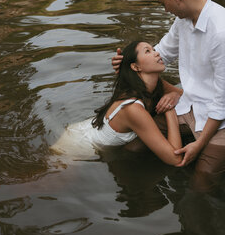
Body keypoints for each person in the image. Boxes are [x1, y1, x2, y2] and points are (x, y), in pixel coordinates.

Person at [112, 0, 225, 191]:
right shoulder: (184, 21)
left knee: (202, 179)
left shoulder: (223, 34)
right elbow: (163, 54)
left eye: (163, 3)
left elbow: (222, 103)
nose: (166, 10)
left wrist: (199, 145)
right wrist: (130, 66)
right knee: (134, 145)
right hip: (189, 104)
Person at [51, 40, 182, 165]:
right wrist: (170, 110)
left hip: (85, 131)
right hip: (77, 145)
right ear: (135, 67)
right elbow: (175, 159)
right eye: (148, 51)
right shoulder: (133, 108)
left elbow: (191, 96)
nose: (157, 52)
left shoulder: (153, 86)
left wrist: (174, 95)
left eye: (154, 49)